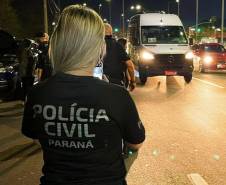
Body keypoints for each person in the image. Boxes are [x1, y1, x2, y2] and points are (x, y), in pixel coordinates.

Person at [21, 5, 145, 185]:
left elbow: (36, 138)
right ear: (99, 47)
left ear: (57, 43)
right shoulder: (116, 95)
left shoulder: (37, 93)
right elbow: (135, 143)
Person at [103, 24, 136, 91]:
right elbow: (130, 65)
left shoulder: (94, 46)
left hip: (98, 83)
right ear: (111, 32)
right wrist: (133, 81)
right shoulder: (117, 46)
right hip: (116, 83)